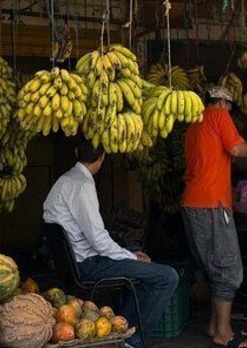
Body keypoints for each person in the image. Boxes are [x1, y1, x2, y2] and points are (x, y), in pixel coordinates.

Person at [43, 139, 178, 347]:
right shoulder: (82, 185)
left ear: (76, 151)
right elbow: (99, 241)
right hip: (88, 266)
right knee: (167, 276)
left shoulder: (64, 181)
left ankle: (123, 331)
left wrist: (129, 256)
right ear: (102, 158)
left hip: (73, 264)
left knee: (141, 273)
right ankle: (132, 341)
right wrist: (132, 257)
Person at [182, 86, 247, 348]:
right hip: (211, 203)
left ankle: (214, 326)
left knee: (214, 266)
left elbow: (227, 154)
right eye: (230, 107)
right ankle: (223, 333)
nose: (230, 112)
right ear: (222, 102)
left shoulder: (194, 123)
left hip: (193, 202)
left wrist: (246, 147)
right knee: (228, 269)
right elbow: (238, 150)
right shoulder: (218, 116)